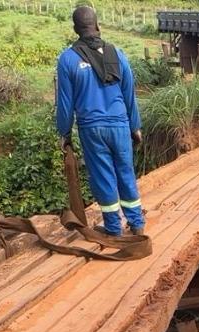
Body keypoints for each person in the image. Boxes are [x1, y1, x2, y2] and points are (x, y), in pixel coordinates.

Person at [55, 6, 145, 237]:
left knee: (103, 176)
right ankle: (136, 223)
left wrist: (64, 133)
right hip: (120, 125)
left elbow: (65, 103)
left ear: (75, 29)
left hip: (92, 129)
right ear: (97, 25)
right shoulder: (117, 54)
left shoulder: (67, 59)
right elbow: (129, 94)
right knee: (126, 172)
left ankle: (114, 228)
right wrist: (135, 126)